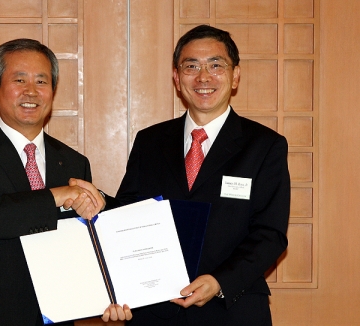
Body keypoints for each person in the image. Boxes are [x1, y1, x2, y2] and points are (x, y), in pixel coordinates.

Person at [0, 39, 131, 326]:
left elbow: (87, 242)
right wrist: (56, 196)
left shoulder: (74, 163)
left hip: (54, 315)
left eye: (42, 81)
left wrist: (113, 293)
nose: (31, 91)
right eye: (19, 79)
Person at [108, 24, 290, 325]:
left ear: (235, 76)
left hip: (233, 306)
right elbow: (129, 214)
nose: (204, 77)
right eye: (191, 66)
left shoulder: (265, 145)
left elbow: (270, 235)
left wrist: (219, 281)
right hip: (156, 309)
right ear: (177, 79)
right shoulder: (150, 141)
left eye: (216, 65)